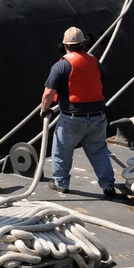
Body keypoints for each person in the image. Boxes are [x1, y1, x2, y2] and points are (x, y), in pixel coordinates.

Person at [41, 27, 117, 199]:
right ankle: (108, 185)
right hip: (98, 116)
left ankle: (61, 184)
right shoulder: (95, 62)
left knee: (62, 150)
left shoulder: (61, 66)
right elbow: (100, 84)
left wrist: (44, 110)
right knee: (99, 150)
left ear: (65, 46)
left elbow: (48, 93)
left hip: (72, 119)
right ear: (83, 44)